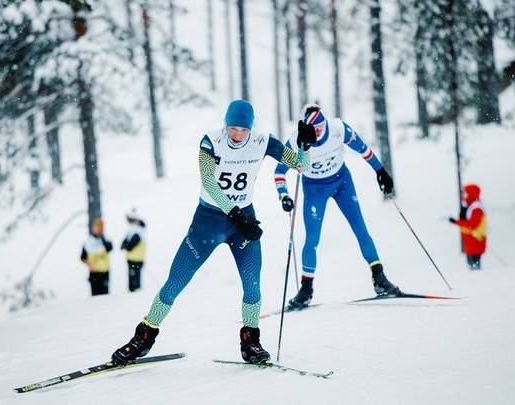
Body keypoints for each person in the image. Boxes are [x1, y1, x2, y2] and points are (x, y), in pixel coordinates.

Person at [111, 100, 314, 365]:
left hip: (243, 221)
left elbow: (301, 167)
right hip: (209, 220)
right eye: (233, 127)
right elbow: (209, 182)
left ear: (251, 128)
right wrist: (235, 214)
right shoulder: (211, 141)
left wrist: (306, 146)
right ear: (225, 124)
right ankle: (143, 337)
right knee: (175, 283)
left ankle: (250, 342)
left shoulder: (264, 142)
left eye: (243, 129)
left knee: (252, 285)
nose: (238, 134)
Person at [274, 104, 401, 310]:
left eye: (321, 127)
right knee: (312, 239)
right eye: (314, 130)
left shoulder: (338, 128)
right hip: (314, 188)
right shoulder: (296, 142)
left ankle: (379, 278)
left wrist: (381, 171)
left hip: (342, 182)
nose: (319, 132)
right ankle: (306, 290)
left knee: (361, 229)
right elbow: (279, 172)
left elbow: (364, 149)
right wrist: (284, 196)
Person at [448, 183, 487, 270]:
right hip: (470, 241)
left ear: (471, 193)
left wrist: (457, 222)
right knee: (471, 264)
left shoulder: (477, 208)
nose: (464, 195)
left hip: (476, 240)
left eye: (465, 193)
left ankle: (479, 281)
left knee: (475, 266)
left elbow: (472, 225)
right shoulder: (469, 205)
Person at [80, 217, 113, 296]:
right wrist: (89, 264)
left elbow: (110, 248)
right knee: (95, 297)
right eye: (97, 227)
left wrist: (102, 238)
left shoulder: (106, 240)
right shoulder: (88, 242)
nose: (99, 229)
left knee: (105, 296)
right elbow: (82, 257)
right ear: (93, 228)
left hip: (105, 273)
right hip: (94, 273)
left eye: (101, 227)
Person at [121, 208, 147, 292]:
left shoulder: (138, 232)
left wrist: (126, 244)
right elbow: (122, 245)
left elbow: (128, 246)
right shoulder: (133, 231)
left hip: (135, 260)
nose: (129, 222)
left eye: (131, 220)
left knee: (134, 284)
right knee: (133, 282)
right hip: (133, 259)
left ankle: (135, 299)